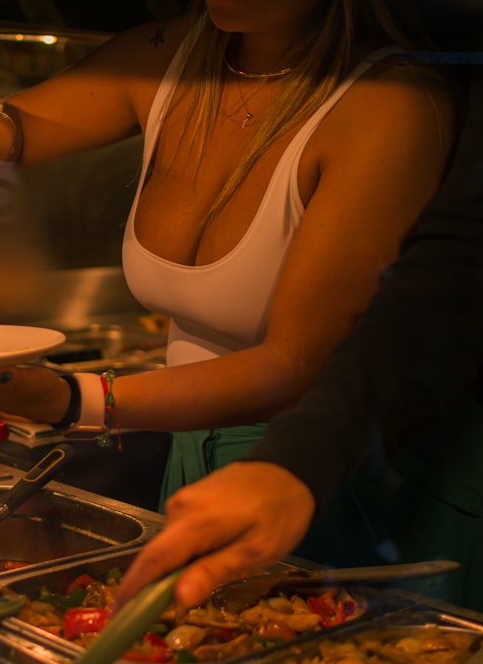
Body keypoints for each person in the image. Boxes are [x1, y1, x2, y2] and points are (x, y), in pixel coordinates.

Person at [0, 1, 457, 506]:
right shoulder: (174, 53)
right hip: (188, 451)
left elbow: (292, 367)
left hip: (315, 474)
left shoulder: (390, 103)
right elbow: (20, 125)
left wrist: (67, 398)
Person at [114, 55, 483, 613]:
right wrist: (297, 463)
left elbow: (294, 362)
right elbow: (452, 274)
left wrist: (83, 400)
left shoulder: (396, 101)